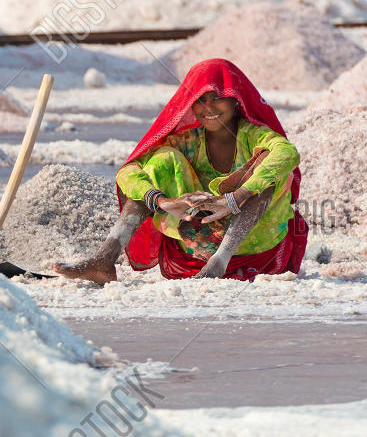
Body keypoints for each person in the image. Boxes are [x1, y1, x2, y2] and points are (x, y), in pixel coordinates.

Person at [53, 58, 309, 283]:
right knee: (159, 162)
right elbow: (127, 172)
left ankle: (220, 261)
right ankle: (104, 260)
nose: (208, 108)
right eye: (200, 99)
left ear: (235, 100)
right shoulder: (189, 142)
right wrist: (165, 202)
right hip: (198, 237)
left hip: (254, 239)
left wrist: (236, 198)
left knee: (271, 166)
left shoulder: (253, 135)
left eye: (217, 97)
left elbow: (288, 153)